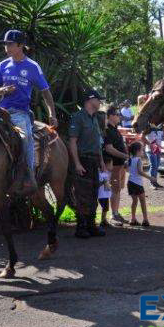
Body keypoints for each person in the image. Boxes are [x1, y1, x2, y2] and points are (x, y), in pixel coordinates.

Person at [0, 29, 58, 196]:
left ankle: (28, 175)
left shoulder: (32, 66)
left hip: (19, 112)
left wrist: (52, 113)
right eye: (5, 44)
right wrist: (3, 90)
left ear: (21, 45)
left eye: (10, 44)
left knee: (25, 136)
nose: (6, 47)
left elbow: (45, 92)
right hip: (0, 110)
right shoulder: (2, 66)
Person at [68, 90, 107, 239]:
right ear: (90, 100)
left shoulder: (95, 118)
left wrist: (101, 161)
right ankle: (81, 226)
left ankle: (91, 225)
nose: (100, 102)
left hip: (94, 160)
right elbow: (72, 142)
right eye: (98, 99)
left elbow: (98, 142)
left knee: (93, 194)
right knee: (82, 194)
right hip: (83, 160)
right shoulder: (78, 117)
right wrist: (77, 163)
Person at [103, 105, 129, 226]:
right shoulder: (107, 130)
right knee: (113, 190)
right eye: (117, 114)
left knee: (117, 189)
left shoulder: (115, 129)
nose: (119, 117)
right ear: (110, 116)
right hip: (112, 166)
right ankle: (113, 215)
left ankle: (116, 213)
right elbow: (109, 149)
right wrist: (125, 156)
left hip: (119, 165)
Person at [127, 141, 153, 226]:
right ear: (137, 151)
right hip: (138, 183)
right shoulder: (139, 160)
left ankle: (133, 219)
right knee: (142, 201)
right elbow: (140, 172)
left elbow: (126, 169)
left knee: (134, 201)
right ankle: (145, 219)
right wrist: (150, 178)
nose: (143, 152)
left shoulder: (130, 159)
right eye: (142, 150)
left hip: (130, 182)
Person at [145, 125, 164, 189]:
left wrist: (163, 138)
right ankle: (152, 183)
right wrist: (149, 144)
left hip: (158, 150)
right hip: (150, 150)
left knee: (156, 166)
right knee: (154, 166)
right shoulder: (148, 127)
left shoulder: (160, 127)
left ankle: (155, 182)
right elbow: (142, 137)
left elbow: (161, 137)